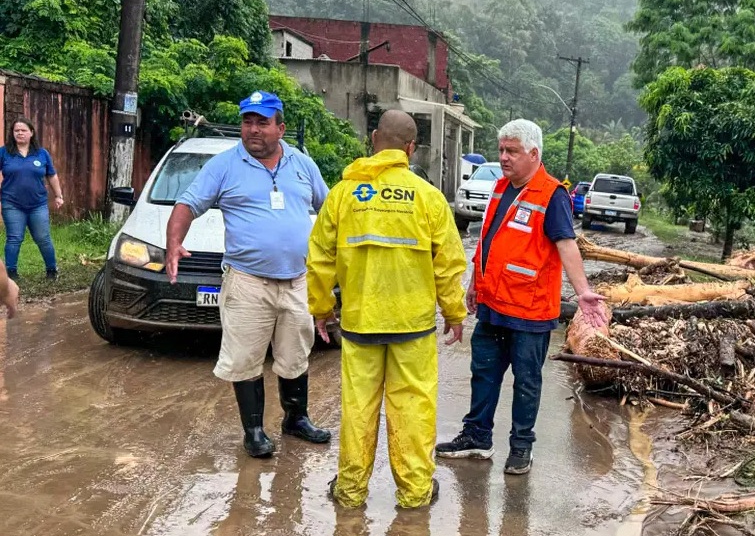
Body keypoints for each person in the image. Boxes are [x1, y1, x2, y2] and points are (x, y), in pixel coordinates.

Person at [308, 110, 467, 509]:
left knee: (358, 409)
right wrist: (454, 312)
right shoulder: (427, 198)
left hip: (361, 323)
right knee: (413, 409)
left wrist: (322, 308)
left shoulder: (344, 194)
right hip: (412, 327)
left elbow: (320, 257)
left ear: (375, 138)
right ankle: (414, 495)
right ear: (411, 148)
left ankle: (350, 492)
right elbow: (448, 262)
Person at [435, 119, 608, 475]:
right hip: (493, 307)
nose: (504, 157)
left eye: (511, 151)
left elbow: (566, 244)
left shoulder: (552, 194)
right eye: (501, 150)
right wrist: (473, 284)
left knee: (527, 382)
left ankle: (521, 448)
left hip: (530, 313)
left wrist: (583, 291)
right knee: (483, 373)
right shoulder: (500, 188)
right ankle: (477, 438)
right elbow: (489, 241)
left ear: (533, 153)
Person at [165, 91, 331, 458]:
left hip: (297, 280)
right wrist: (173, 243)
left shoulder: (303, 165)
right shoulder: (223, 166)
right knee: (245, 358)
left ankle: (296, 418)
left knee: (295, 354)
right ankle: (254, 430)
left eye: (262, 122)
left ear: (281, 128)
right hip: (247, 282)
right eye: (247, 122)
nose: (253, 130)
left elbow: (330, 209)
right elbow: (187, 204)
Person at [1, 117, 64, 281]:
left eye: (23, 130)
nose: (20, 133)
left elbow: (52, 175)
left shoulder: (42, 154)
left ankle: (52, 270)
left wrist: (58, 195)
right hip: (12, 203)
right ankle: (11, 274)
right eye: (16, 131)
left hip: (38, 205)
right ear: (12, 133)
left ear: (31, 132)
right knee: (14, 238)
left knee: (43, 238)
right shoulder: (4, 152)